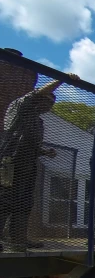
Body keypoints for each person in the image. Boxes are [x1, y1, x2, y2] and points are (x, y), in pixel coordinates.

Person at [0, 50, 77, 251]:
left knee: (24, 201)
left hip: (28, 164)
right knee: (4, 199)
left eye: (52, 104)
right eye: (47, 101)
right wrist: (62, 79)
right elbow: (35, 94)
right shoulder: (19, 105)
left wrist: (44, 152)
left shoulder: (39, 121)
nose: (49, 106)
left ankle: (17, 239)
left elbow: (31, 144)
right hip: (10, 161)